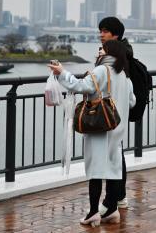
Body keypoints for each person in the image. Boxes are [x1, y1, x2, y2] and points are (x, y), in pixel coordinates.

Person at [48, 40, 135, 226]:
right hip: (117, 129)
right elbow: (132, 101)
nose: (98, 51)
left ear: (108, 52)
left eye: (101, 48)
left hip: (100, 128)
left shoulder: (102, 70)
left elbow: (81, 86)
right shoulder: (125, 76)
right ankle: (112, 210)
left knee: (95, 170)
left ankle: (94, 212)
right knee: (113, 169)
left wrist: (61, 72)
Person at [97, 17, 133, 214]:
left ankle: (110, 203)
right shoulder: (121, 52)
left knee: (114, 157)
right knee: (117, 155)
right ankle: (119, 197)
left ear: (115, 35)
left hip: (113, 115)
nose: (101, 34)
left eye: (105, 31)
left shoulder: (119, 55)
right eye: (100, 31)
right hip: (117, 113)